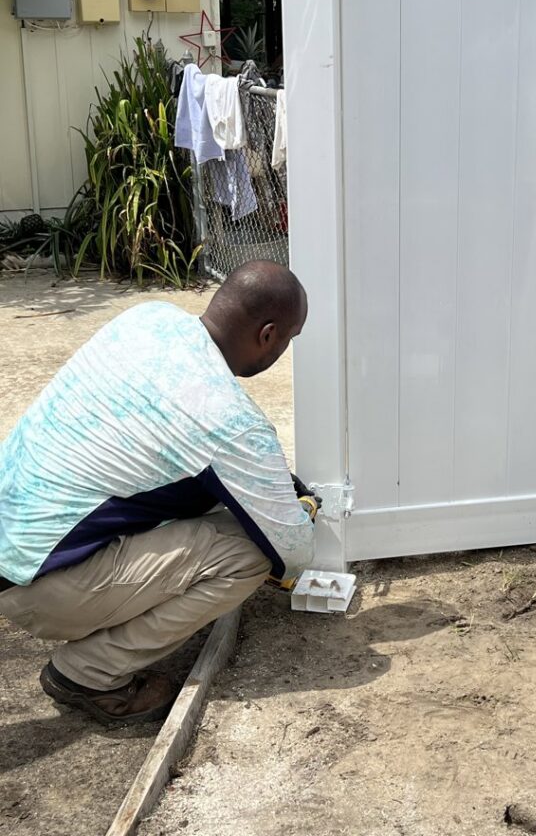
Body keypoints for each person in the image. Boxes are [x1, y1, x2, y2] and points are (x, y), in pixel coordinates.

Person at [0, 260, 316, 725]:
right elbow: (293, 552)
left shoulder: (147, 319)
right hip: (39, 590)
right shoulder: (229, 420)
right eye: (289, 339)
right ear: (268, 335)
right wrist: (299, 511)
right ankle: (89, 672)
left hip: (14, 547)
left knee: (213, 501)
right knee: (249, 553)